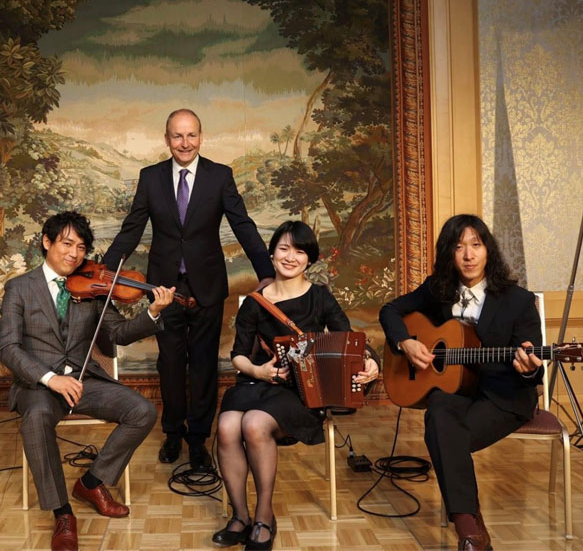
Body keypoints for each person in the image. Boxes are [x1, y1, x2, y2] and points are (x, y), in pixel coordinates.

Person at [103, 109, 275, 469]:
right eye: (177, 136)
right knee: (169, 365)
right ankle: (172, 434)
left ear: (201, 136)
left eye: (191, 135)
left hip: (208, 288)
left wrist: (267, 274)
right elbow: (132, 228)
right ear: (166, 139)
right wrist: (105, 270)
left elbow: (243, 226)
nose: (185, 143)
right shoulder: (150, 178)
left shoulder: (220, 176)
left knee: (203, 366)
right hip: (163, 289)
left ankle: (199, 439)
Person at [0, 211, 175, 551]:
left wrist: (153, 313)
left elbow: (118, 333)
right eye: (66, 244)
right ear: (47, 242)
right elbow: (8, 347)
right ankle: (62, 513)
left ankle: (91, 482)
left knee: (142, 411)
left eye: (81, 247)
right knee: (35, 419)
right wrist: (50, 379)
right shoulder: (19, 288)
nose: (74, 254)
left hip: (83, 380)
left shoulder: (92, 290)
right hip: (38, 385)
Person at [379, 214, 543, 551]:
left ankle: (469, 528)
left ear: (488, 251)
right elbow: (389, 311)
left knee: (440, 430)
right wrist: (405, 343)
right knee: (438, 410)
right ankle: (472, 531)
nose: (468, 255)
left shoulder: (518, 301)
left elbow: (535, 372)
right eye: (458, 247)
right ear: (448, 254)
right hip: (457, 394)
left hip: (503, 398)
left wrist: (528, 367)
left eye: (476, 245)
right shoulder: (438, 290)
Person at [213, 221, 380, 550]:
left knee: (253, 423)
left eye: (300, 251)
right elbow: (237, 357)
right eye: (284, 249)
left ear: (309, 259)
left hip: (304, 394)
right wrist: (260, 371)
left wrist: (372, 362)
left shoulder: (320, 298)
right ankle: (241, 516)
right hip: (258, 381)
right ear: (272, 254)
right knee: (227, 424)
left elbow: (350, 342)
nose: (291, 257)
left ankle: (264, 516)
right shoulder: (254, 303)